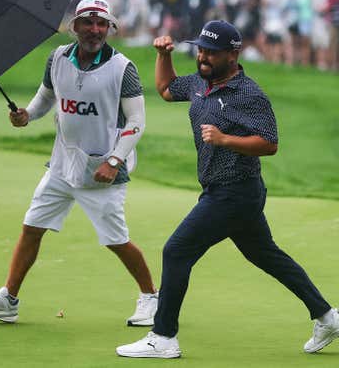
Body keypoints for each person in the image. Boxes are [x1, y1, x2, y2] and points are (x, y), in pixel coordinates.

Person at [117, 21, 339, 358]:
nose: (203, 57)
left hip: (235, 191)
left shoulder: (249, 94)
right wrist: (163, 56)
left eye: (211, 52)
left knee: (176, 251)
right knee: (265, 254)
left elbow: (269, 143)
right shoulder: (201, 84)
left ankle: (163, 337)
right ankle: (328, 317)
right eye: (201, 50)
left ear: (233, 55)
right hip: (221, 190)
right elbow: (165, 89)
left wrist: (225, 140)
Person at [0, 0, 156, 327]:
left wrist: (114, 160)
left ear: (109, 27)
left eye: (101, 23)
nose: (95, 30)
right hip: (62, 164)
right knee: (32, 227)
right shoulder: (58, 58)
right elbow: (46, 98)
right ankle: (8, 299)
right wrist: (27, 115)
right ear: (75, 26)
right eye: (88, 22)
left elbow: (137, 121)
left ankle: (152, 297)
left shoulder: (123, 67)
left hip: (103, 170)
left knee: (116, 240)